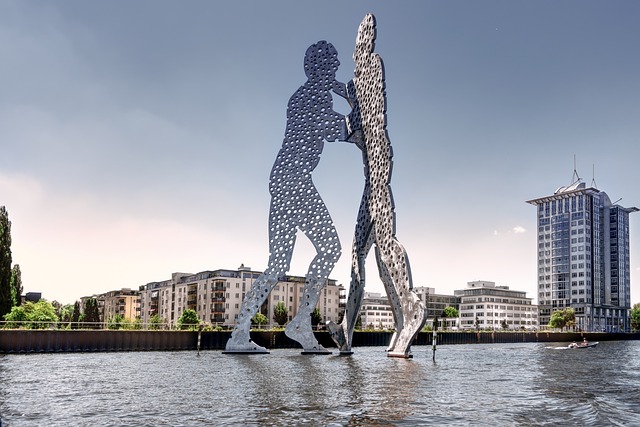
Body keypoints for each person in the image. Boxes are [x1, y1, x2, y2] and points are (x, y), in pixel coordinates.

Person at [224, 41, 349, 354]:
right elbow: (339, 130)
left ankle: (242, 333)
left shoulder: (306, 93)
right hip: (293, 181)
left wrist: (343, 92)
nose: (336, 67)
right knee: (330, 247)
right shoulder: (314, 95)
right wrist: (357, 101)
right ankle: (300, 322)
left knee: (278, 264)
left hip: (284, 179)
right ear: (321, 67)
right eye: (332, 63)